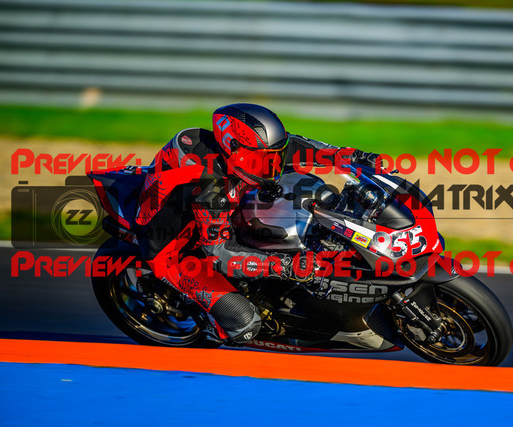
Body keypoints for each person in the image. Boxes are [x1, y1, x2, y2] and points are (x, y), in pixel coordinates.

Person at [135, 103, 379, 344]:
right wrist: (286, 266)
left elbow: (295, 147)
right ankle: (206, 319)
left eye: (273, 158)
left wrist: (352, 156)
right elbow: (218, 252)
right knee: (244, 325)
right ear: (232, 148)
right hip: (178, 251)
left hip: (209, 213)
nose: (270, 167)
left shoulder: (240, 152)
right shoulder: (211, 188)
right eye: (260, 160)